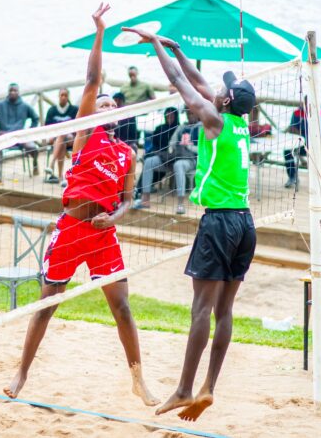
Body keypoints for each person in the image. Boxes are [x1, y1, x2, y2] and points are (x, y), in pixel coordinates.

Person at [4, 4, 158, 407]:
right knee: (46, 306)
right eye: (100, 103)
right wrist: (100, 32)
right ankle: (21, 372)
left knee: (123, 309)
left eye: (111, 105)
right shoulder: (84, 134)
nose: (105, 107)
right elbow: (92, 79)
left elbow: (128, 201)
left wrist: (115, 217)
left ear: (120, 113)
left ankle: (138, 379)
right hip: (71, 229)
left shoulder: (128, 154)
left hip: (103, 235)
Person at [122, 24, 257, 421]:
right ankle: (208, 387)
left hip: (218, 224)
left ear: (225, 99)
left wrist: (155, 45)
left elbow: (181, 82)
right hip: (245, 224)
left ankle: (184, 389)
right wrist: (177, 47)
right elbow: (197, 79)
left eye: (223, 86)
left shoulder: (212, 120)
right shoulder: (239, 122)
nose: (216, 86)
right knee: (224, 311)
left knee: (201, 309)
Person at [0, 83, 40, 185]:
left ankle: (35, 163)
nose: (13, 92)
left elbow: (35, 118)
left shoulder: (25, 106)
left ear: (18, 92)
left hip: (20, 137)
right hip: (4, 137)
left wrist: (28, 131)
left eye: (15, 90)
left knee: (33, 147)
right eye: (11, 90)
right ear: (8, 92)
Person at [133, 107, 179, 209]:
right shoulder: (160, 128)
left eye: (172, 115)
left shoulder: (178, 128)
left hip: (171, 159)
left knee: (152, 163)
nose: (169, 117)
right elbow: (154, 144)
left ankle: (139, 190)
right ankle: (141, 191)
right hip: (158, 156)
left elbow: (176, 148)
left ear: (176, 116)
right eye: (167, 115)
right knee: (149, 161)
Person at [284, 105, 321, 189]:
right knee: (287, 149)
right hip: (302, 143)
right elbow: (292, 131)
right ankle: (292, 177)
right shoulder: (297, 113)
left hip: (316, 143)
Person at [44, 88, 79, 186]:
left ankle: (52, 164)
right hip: (57, 139)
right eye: (61, 95)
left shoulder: (74, 109)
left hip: (71, 138)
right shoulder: (52, 110)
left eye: (65, 95)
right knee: (61, 143)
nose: (63, 97)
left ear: (68, 97)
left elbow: (78, 126)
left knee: (63, 133)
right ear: (58, 96)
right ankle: (60, 178)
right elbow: (47, 128)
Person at [169, 109, 200, 215]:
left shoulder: (202, 128)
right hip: (178, 156)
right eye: (188, 113)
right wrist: (173, 147)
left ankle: (180, 203)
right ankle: (144, 197)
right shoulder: (182, 127)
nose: (189, 116)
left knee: (179, 165)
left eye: (192, 113)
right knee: (150, 161)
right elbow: (172, 142)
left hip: (193, 160)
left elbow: (204, 150)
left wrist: (190, 147)